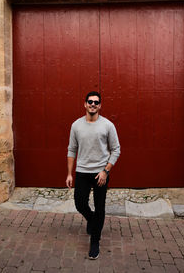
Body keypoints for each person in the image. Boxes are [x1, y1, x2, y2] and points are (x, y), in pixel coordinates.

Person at [66, 91, 120, 260]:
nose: (93, 104)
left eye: (96, 102)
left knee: (100, 207)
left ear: (100, 105)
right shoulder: (76, 125)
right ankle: (92, 220)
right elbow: (71, 149)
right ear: (85, 104)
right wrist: (69, 174)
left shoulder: (108, 125)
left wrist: (106, 170)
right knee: (80, 203)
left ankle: (95, 241)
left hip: (100, 173)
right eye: (90, 101)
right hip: (82, 171)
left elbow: (116, 149)